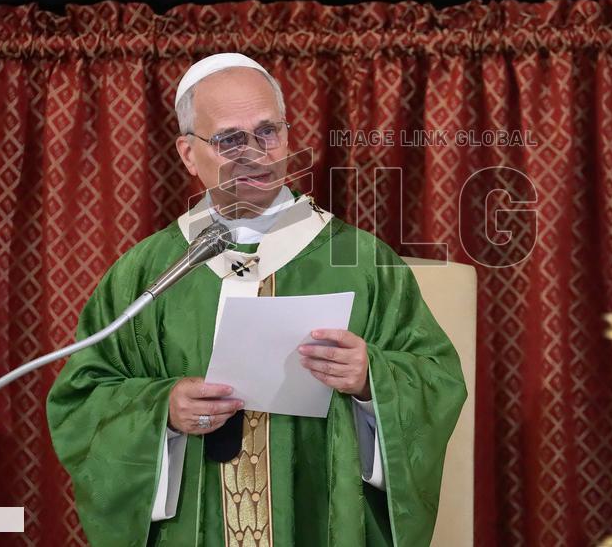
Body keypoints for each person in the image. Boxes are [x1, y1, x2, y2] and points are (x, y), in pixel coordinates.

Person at [46, 53, 467, 547]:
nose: (254, 152)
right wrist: (164, 410)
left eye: (268, 131)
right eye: (229, 139)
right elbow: (83, 401)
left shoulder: (361, 260)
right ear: (188, 153)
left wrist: (371, 380)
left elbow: (436, 380)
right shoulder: (147, 272)